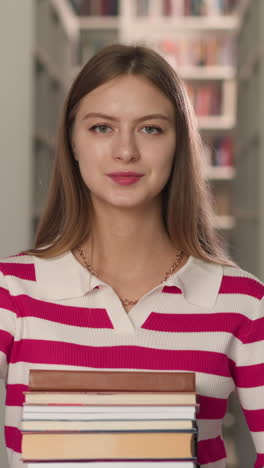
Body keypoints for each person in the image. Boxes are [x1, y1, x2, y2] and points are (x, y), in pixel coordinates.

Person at [0, 43, 263, 468]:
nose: (125, 151)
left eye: (151, 129)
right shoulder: (11, 289)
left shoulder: (244, 302)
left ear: (180, 143)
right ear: (72, 141)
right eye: (102, 128)